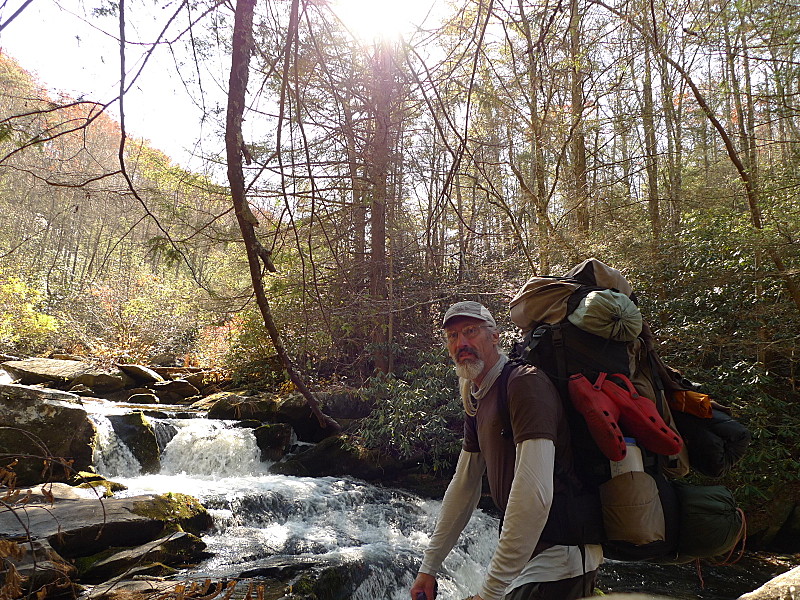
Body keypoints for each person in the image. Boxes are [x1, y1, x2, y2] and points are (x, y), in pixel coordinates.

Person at [410, 301, 602, 600]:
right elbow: (463, 487)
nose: (461, 343)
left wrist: (491, 592)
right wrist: (429, 567)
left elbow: (533, 494)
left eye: (471, 331)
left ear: (494, 336)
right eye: (452, 336)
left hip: (558, 560)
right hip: (530, 562)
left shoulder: (524, 384)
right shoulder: (477, 396)